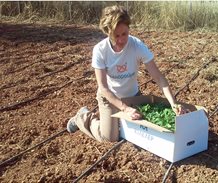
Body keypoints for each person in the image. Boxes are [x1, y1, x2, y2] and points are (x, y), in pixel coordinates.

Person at [67, 5, 186, 142]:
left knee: (146, 130)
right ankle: (83, 116)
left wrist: (173, 103)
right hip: (109, 98)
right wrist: (125, 109)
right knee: (109, 137)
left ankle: (109, 117)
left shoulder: (137, 46)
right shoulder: (100, 50)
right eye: (116, 35)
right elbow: (104, 88)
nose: (122, 40)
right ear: (107, 32)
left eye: (125, 34)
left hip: (132, 97)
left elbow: (159, 78)